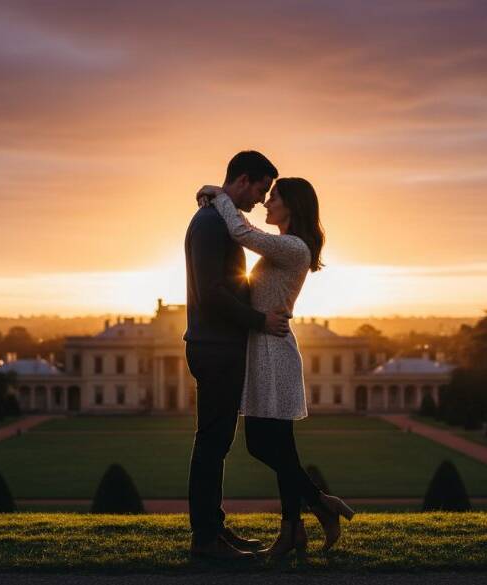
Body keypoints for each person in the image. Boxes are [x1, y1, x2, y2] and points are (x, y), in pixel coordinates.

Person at [196, 175, 355, 560]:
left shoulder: (294, 247)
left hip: (274, 352)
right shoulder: (285, 247)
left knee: (261, 443)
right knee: (281, 447)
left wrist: (219, 194)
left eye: (274, 197)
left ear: (291, 206)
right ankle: (292, 529)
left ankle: (319, 503)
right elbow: (248, 233)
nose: (266, 203)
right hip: (263, 347)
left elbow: (241, 232)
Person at [184, 150, 291, 560]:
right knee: (212, 444)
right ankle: (206, 540)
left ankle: (213, 530)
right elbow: (212, 294)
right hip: (216, 348)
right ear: (243, 179)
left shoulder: (216, 218)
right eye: (261, 189)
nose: (261, 199)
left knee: (215, 443)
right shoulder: (211, 223)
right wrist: (260, 320)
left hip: (216, 346)